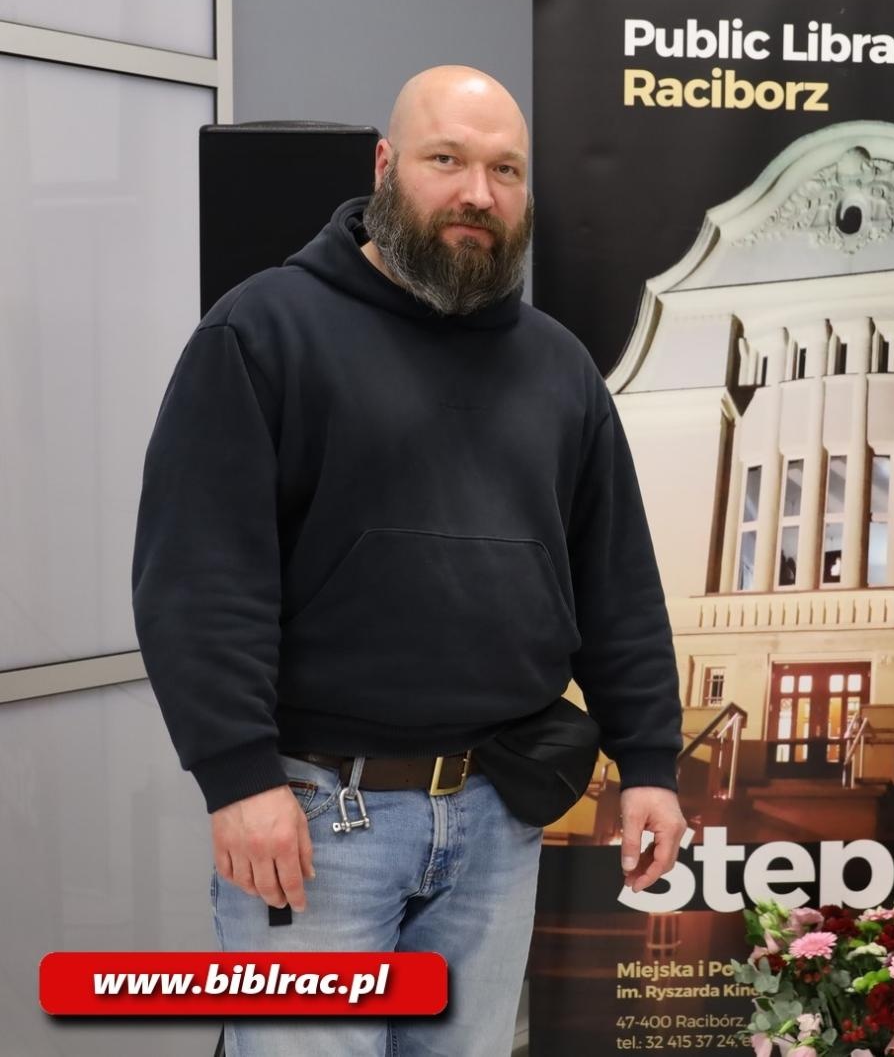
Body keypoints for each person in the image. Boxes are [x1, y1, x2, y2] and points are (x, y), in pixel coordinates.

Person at [132, 65, 686, 1056]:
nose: (478, 192)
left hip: (495, 818)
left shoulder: (559, 369)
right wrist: (236, 778)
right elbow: (200, 579)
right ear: (387, 167)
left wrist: (648, 759)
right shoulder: (261, 332)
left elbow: (616, 581)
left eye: (505, 169)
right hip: (312, 821)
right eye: (448, 160)